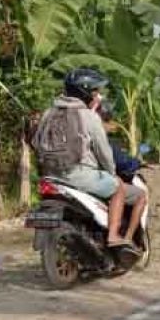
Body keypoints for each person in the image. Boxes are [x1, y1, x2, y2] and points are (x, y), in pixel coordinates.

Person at [33, 68, 140, 250]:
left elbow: (36, 142)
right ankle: (113, 236)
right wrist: (112, 173)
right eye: (95, 91)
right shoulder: (88, 116)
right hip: (77, 174)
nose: (97, 95)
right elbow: (103, 151)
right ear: (85, 92)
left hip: (49, 175)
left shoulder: (48, 113)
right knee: (119, 188)